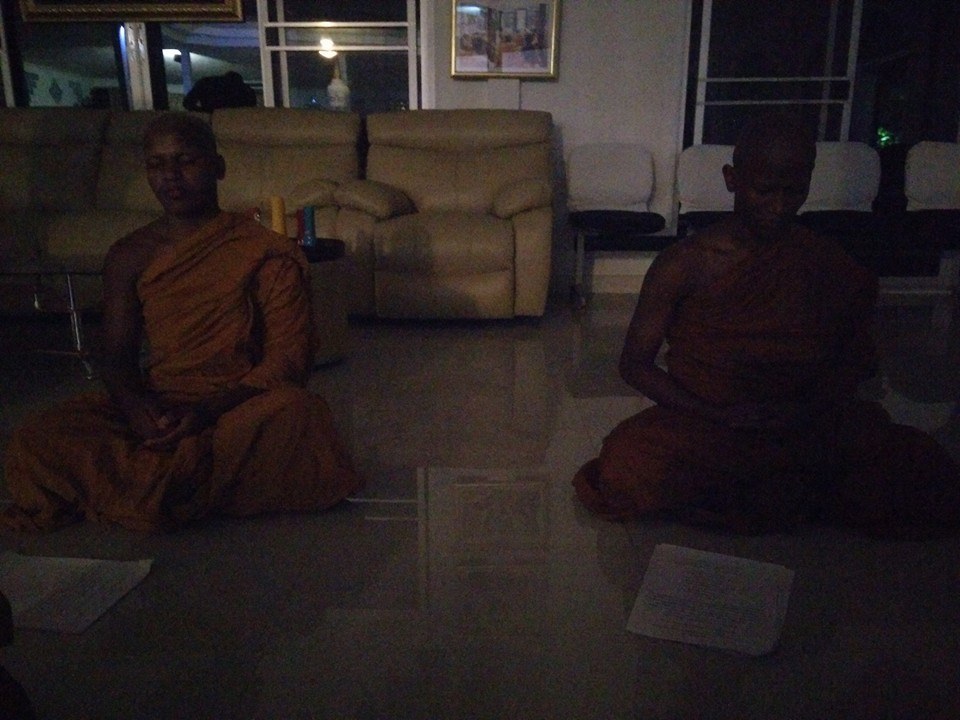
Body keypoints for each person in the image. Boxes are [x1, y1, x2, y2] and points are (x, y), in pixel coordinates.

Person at [573, 112, 960, 536]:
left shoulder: (828, 262)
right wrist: (717, 413)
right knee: (627, 465)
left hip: (803, 424)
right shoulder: (684, 264)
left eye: (793, 191)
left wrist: (801, 409)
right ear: (732, 179)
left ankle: (765, 494)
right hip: (708, 425)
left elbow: (854, 362)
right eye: (764, 190)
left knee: (923, 470)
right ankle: (792, 497)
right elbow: (634, 364)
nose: (778, 206)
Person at [1, 112, 362, 531]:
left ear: (218, 167)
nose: (171, 176)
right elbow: (116, 354)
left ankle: (144, 487)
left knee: (299, 413)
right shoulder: (130, 254)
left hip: (238, 403)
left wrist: (206, 411)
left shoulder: (262, 250)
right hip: (163, 401)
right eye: (157, 164)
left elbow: (288, 361)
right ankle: (181, 484)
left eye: (186, 161)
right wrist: (137, 410)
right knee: (35, 438)